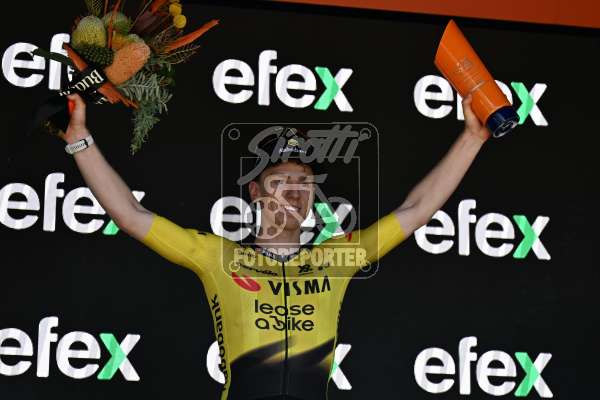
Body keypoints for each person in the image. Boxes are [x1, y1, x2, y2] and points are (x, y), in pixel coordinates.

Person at [62, 92, 490, 399]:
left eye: (304, 182)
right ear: (255, 192)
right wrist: (80, 138)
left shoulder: (336, 258)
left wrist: (472, 138)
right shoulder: (219, 257)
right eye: (281, 180)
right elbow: (131, 215)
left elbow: (416, 210)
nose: (295, 191)